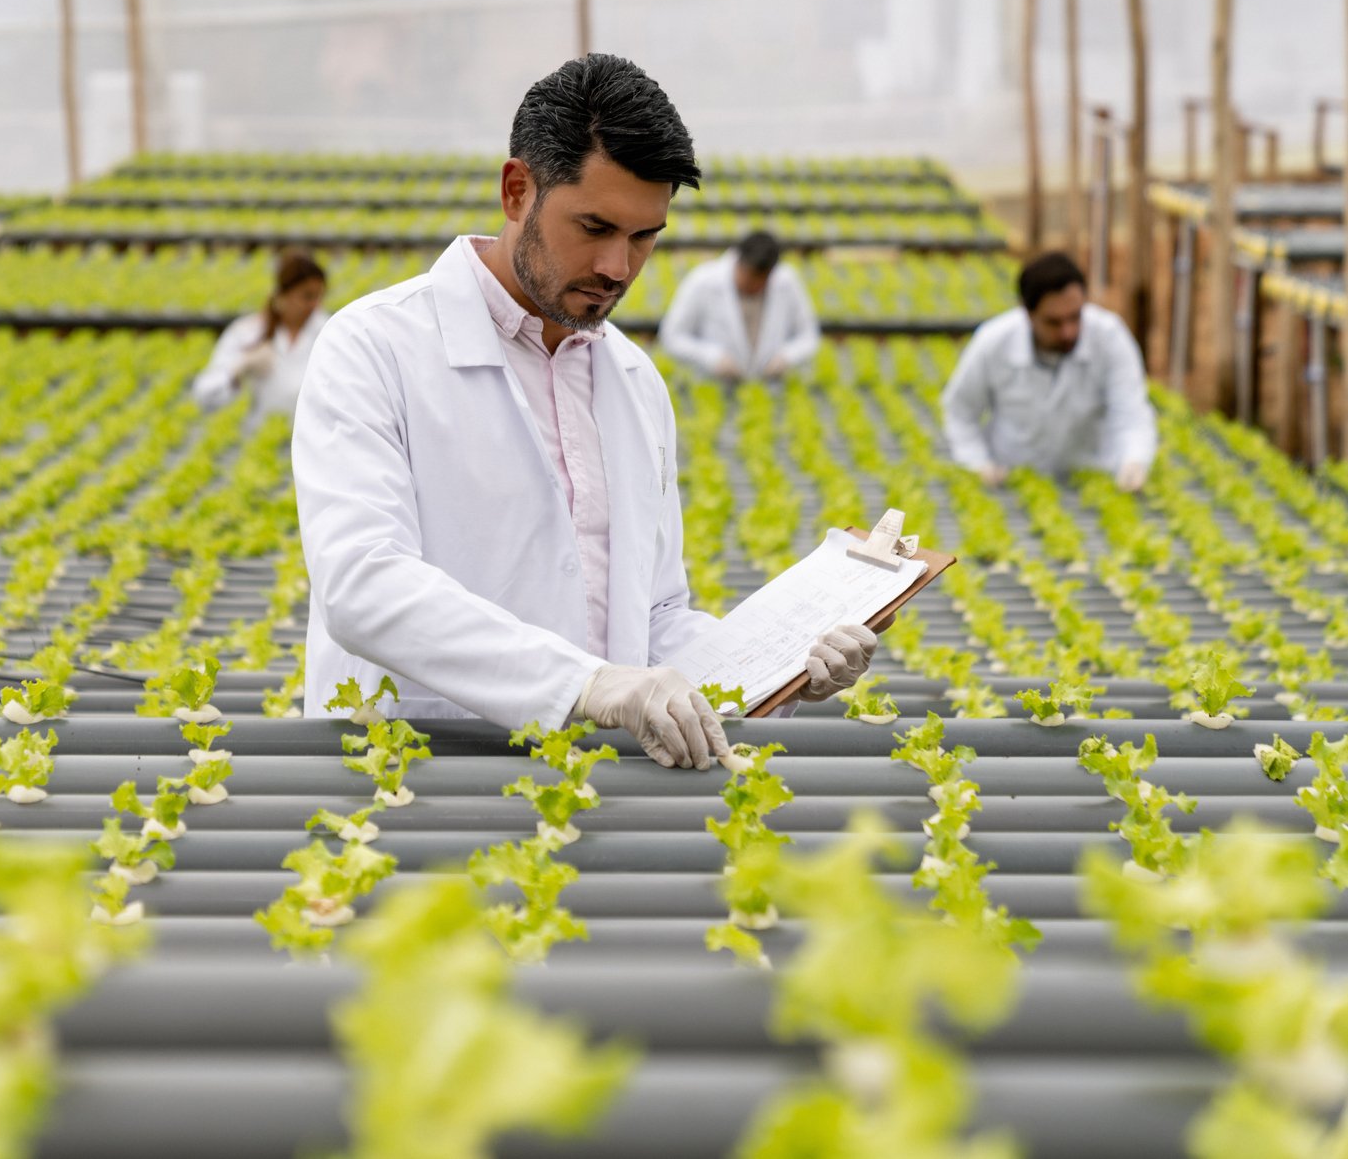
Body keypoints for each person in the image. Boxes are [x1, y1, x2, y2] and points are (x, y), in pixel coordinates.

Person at [292, 54, 879, 768]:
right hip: (414, 779)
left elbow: (654, 618)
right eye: (594, 226)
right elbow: (363, 584)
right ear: (517, 191)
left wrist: (781, 667)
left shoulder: (631, 380)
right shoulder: (374, 348)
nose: (617, 268)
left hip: (593, 789)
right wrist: (586, 684)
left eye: (643, 237)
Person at [941, 251, 1155, 491]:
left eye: (1075, 317)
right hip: (1013, 484)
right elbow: (960, 411)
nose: (1068, 332)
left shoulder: (1110, 337)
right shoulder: (994, 342)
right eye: (1054, 322)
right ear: (1027, 313)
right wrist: (977, 463)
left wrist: (1134, 461)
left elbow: (1131, 413)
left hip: (1090, 480)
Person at [656, 230, 821, 382]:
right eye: (750, 278)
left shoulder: (787, 283)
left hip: (771, 388)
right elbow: (672, 336)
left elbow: (809, 336)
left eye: (762, 280)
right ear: (739, 261)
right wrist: (712, 357)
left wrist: (786, 357)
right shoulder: (702, 281)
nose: (755, 286)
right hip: (712, 384)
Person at [190, 249, 329, 421]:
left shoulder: (328, 332)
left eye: (319, 297)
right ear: (283, 295)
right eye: (307, 297)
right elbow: (203, 396)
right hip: (259, 434)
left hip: (310, 439)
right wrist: (238, 369)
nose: (315, 305)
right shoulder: (247, 332)